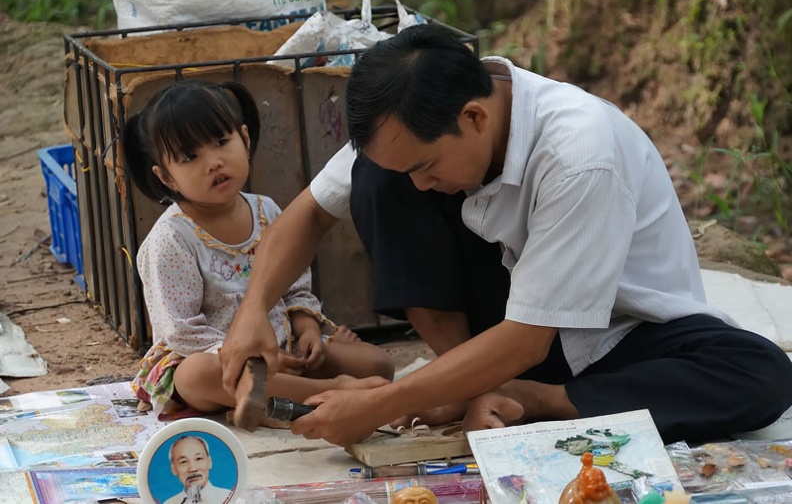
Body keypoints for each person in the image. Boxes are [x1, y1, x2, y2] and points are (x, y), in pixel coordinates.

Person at [219, 24, 792, 446]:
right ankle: (467, 383)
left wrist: (386, 405)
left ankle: (531, 399)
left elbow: (528, 340)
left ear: (475, 117)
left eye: (427, 164)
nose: (421, 184)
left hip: (618, 342)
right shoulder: (414, 120)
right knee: (375, 177)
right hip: (508, 330)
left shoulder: (580, 152)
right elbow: (308, 214)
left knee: (760, 374)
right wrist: (253, 312)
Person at [123, 79, 394, 426]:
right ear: (167, 178)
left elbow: (294, 286)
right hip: (215, 362)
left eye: (222, 142)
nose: (214, 162)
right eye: (190, 156)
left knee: (377, 364)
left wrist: (308, 329)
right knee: (195, 374)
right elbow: (181, 332)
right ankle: (332, 390)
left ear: (245, 139)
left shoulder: (267, 211)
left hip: (284, 349)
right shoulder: (171, 238)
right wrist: (251, 358)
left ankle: (280, 398)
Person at [163, 435, 231, 504]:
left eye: (198, 458)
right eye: (183, 461)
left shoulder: (229, 497)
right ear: (173, 469)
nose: (193, 468)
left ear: (209, 462)